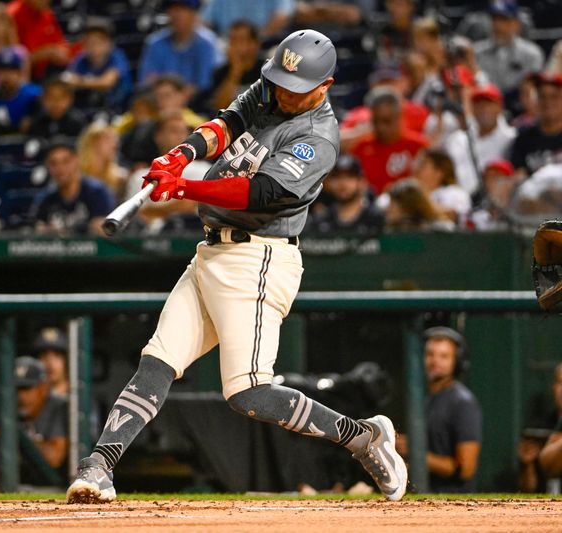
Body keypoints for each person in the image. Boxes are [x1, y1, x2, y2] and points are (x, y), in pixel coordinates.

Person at [65, 29, 408, 504]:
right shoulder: (271, 88)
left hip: (259, 257)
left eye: (297, 85)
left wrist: (185, 187)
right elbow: (226, 124)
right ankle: (99, 466)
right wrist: (180, 156)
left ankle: (361, 436)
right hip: (211, 252)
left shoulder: (318, 136)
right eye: (281, 80)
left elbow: (262, 193)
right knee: (157, 361)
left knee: (248, 394)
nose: (284, 92)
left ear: (324, 84)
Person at [396, 328, 482, 493]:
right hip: (424, 495)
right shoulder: (424, 397)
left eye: (444, 356)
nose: (435, 361)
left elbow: (465, 469)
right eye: (430, 354)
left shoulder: (463, 402)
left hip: (453, 502)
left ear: (457, 361)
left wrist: (415, 452)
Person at [350, 86, 429, 194]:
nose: (381, 127)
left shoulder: (418, 146)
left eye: (387, 121)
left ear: (399, 117)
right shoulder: (361, 148)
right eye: (376, 121)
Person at [33, 137, 116, 236]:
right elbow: (37, 232)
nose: (60, 169)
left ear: (76, 160)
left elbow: (104, 231)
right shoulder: (46, 199)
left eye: (66, 161)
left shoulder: (97, 192)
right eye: (54, 163)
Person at [444, 83, 516, 195]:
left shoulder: (511, 139)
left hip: (488, 201)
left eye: (488, 103)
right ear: (472, 108)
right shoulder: (457, 140)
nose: (483, 109)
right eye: (478, 104)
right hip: (454, 199)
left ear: (500, 107)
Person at [138, 0, 221, 96]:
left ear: (193, 13)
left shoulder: (207, 44)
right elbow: (147, 81)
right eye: (172, 9)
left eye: (181, 9)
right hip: (160, 102)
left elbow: (204, 84)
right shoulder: (155, 43)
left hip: (196, 104)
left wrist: (177, 98)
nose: (175, 14)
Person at [474, 0, 544, 101]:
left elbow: (534, 90)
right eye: (495, 19)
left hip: (519, 109)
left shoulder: (532, 54)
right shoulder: (477, 52)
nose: (498, 25)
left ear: (516, 24)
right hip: (486, 105)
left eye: (504, 20)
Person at [62, 17, 132, 111]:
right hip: (90, 109)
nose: (93, 46)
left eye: (98, 41)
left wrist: (81, 82)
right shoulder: (81, 58)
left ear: (108, 43)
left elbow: (107, 82)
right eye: (89, 41)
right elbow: (69, 80)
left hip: (120, 108)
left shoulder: (117, 56)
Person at [14, 356, 68, 476]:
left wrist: (12, 439)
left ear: (43, 389)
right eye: (16, 389)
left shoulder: (59, 407)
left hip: (61, 488)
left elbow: (54, 458)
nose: (21, 396)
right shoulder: (7, 411)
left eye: (27, 388)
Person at [308, 154, 384, 234]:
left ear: (361, 182)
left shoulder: (376, 219)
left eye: (349, 177)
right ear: (329, 183)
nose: (343, 183)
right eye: (337, 177)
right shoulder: (320, 220)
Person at [518, 362, 562, 493]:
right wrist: (527, 464)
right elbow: (527, 489)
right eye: (560, 383)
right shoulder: (539, 427)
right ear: (554, 387)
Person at [509, 72, 562, 177]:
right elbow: (518, 176)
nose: (548, 102)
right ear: (535, 101)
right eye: (542, 96)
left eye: (554, 96)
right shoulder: (523, 139)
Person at [6, 0, 70, 81]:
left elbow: (61, 44)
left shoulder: (46, 14)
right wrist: (42, 54)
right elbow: (10, 59)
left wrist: (60, 52)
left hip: (47, 72)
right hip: (21, 76)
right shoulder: (13, 14)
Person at [210, 21, 266, 111]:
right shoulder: (221, 71)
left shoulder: (267, 68)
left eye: (241, 40)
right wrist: (236, 71)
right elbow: (220, 107)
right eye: (232, 40)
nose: (235, 45)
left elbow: (268, 103)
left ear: (255, 44)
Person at [412, 149, 472, 224]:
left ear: (439, 172)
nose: (416, 169)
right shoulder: (418, 196)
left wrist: (419, 207)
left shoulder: (454, 192)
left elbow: (455, 216)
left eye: (423, 164)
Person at [77, 122, 128, 198]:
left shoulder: (121, 178)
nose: (115, 144)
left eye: (114, 140)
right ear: (93, 143)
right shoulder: (76, 175)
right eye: (108, 139)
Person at [383, 177, 453, 231]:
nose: (388, 209)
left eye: (393, 204)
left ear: (409, 205)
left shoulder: (438, 229)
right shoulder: (387, 230)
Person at [200, 0, 294, 39]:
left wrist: (258, 39)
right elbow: (205, 21)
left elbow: (282, 15)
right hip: (226, 43)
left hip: (263, 42)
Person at [469, 159, 518, 230]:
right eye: (487, 178)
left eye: (496, 178)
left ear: (510, 182)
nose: (490, 183)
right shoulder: (478, 215)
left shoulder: (520, 211)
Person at [33, 328, 70, 397]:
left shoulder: (79, 396)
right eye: (44, 356)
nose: (50, 362)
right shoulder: (30, 399)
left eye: (57, 355)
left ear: (66, 361)